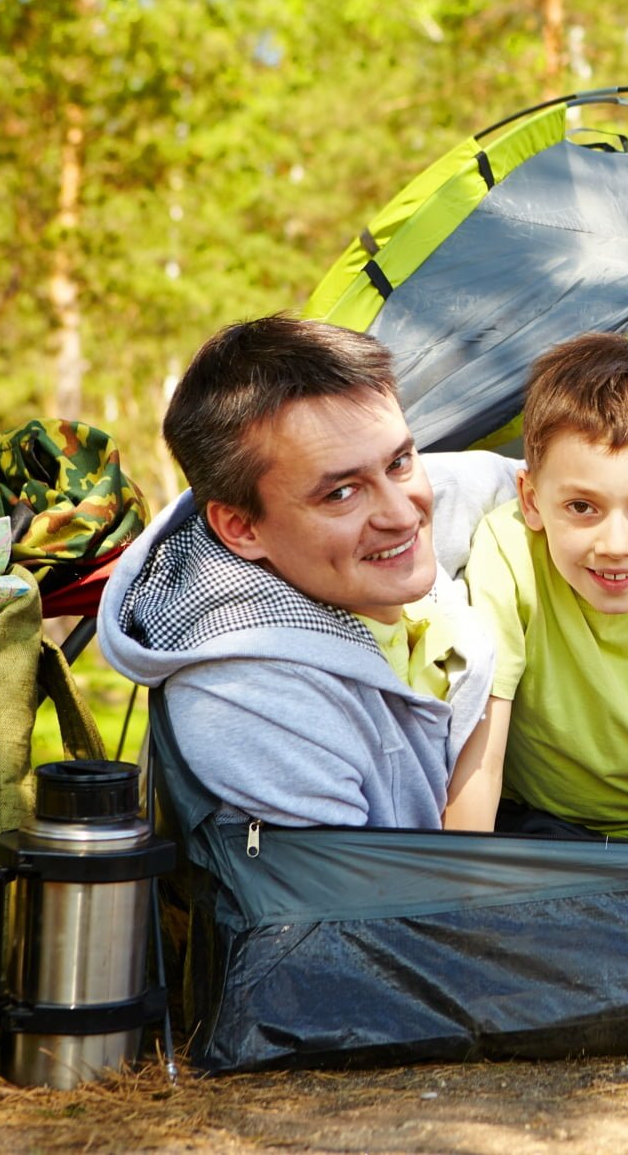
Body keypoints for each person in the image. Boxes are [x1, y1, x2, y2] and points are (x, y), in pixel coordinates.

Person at [100, 315, 514, 830]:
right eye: (340, 493)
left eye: (400, 463)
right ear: (241, 528)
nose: (403, 515)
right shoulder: (253, 707)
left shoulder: (433, 506)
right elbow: (366, 904)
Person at [465, 333, 628, 841]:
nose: (616, 545)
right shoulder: (508, 548)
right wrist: (458, 902)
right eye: (582, 507)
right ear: (533, 499)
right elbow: (480, 755)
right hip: (542, 817)